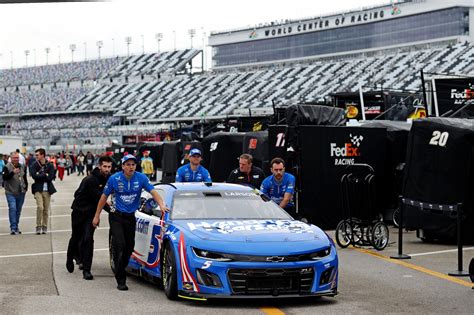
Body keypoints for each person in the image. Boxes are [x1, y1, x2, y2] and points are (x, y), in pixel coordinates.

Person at [92, 154, 168, 291]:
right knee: (119, 245)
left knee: (129, 247)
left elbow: (153, 191)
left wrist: (161, 204)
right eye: (128, 164)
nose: (131, 167)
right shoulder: (114, 179)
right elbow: (103, 198)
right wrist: (97, 216)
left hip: (130, 217)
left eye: (133, 164)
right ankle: (121, 278)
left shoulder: (141, 178)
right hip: (116, 216)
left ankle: (119, 266)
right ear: (122, 166)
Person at [66, 155, 113, 280]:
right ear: (99, 166)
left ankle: (87, 270)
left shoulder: (109, 178)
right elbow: (99, 198)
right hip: (79, 211)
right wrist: (112, 211)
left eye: (109, 167)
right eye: (105, 166)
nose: (107, 169)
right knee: (76, 237)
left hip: (91, 213)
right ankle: (69, 258)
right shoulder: (91, 180)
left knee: (88, 238)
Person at [31, 148, 57, 234]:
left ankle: (44, 226)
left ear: (42, 155)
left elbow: (51, 177)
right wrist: (45, 174)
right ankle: (38, 226)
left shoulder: (49, 165)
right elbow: (34, 176)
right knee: (40, 207)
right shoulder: (34, 164)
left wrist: (41, 175)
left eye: (37, 155)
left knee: (46, 210)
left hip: (47, 190)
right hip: (38, 189)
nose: (36, 156)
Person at [2, 152, 28, 235]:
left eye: (17, 158)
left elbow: (24, 178)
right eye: (14, 158)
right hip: (10, 192)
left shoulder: (23, 166)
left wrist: (26, 188)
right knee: (13, 208)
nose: (16, 159)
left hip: (21, 192)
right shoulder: (6, 167)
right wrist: (13, 172)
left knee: (18, 210)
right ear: (11, 158)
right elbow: (4, 177)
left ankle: (16, 226)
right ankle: (13, 228)